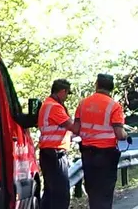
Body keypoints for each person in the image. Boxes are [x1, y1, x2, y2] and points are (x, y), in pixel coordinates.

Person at [75, 74, 131, 209]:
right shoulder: (114, 106)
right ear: (111, 88)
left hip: (87, 153)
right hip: (106, 154)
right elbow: (119, 134)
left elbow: (76, 129)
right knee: (105, 190)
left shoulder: (83, 103)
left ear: (96, 85)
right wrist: (126, 135)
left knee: (92, 189)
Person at [38, 79, 81, 209]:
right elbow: (73, 127)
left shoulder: (47, 104)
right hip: (55, 153)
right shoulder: (55, 107)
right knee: (61, 193)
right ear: (62, 91)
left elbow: (58, 129)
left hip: (47, 152)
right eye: (67, 94)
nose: (67, 97)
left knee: (50, 192)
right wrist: (79, 118)